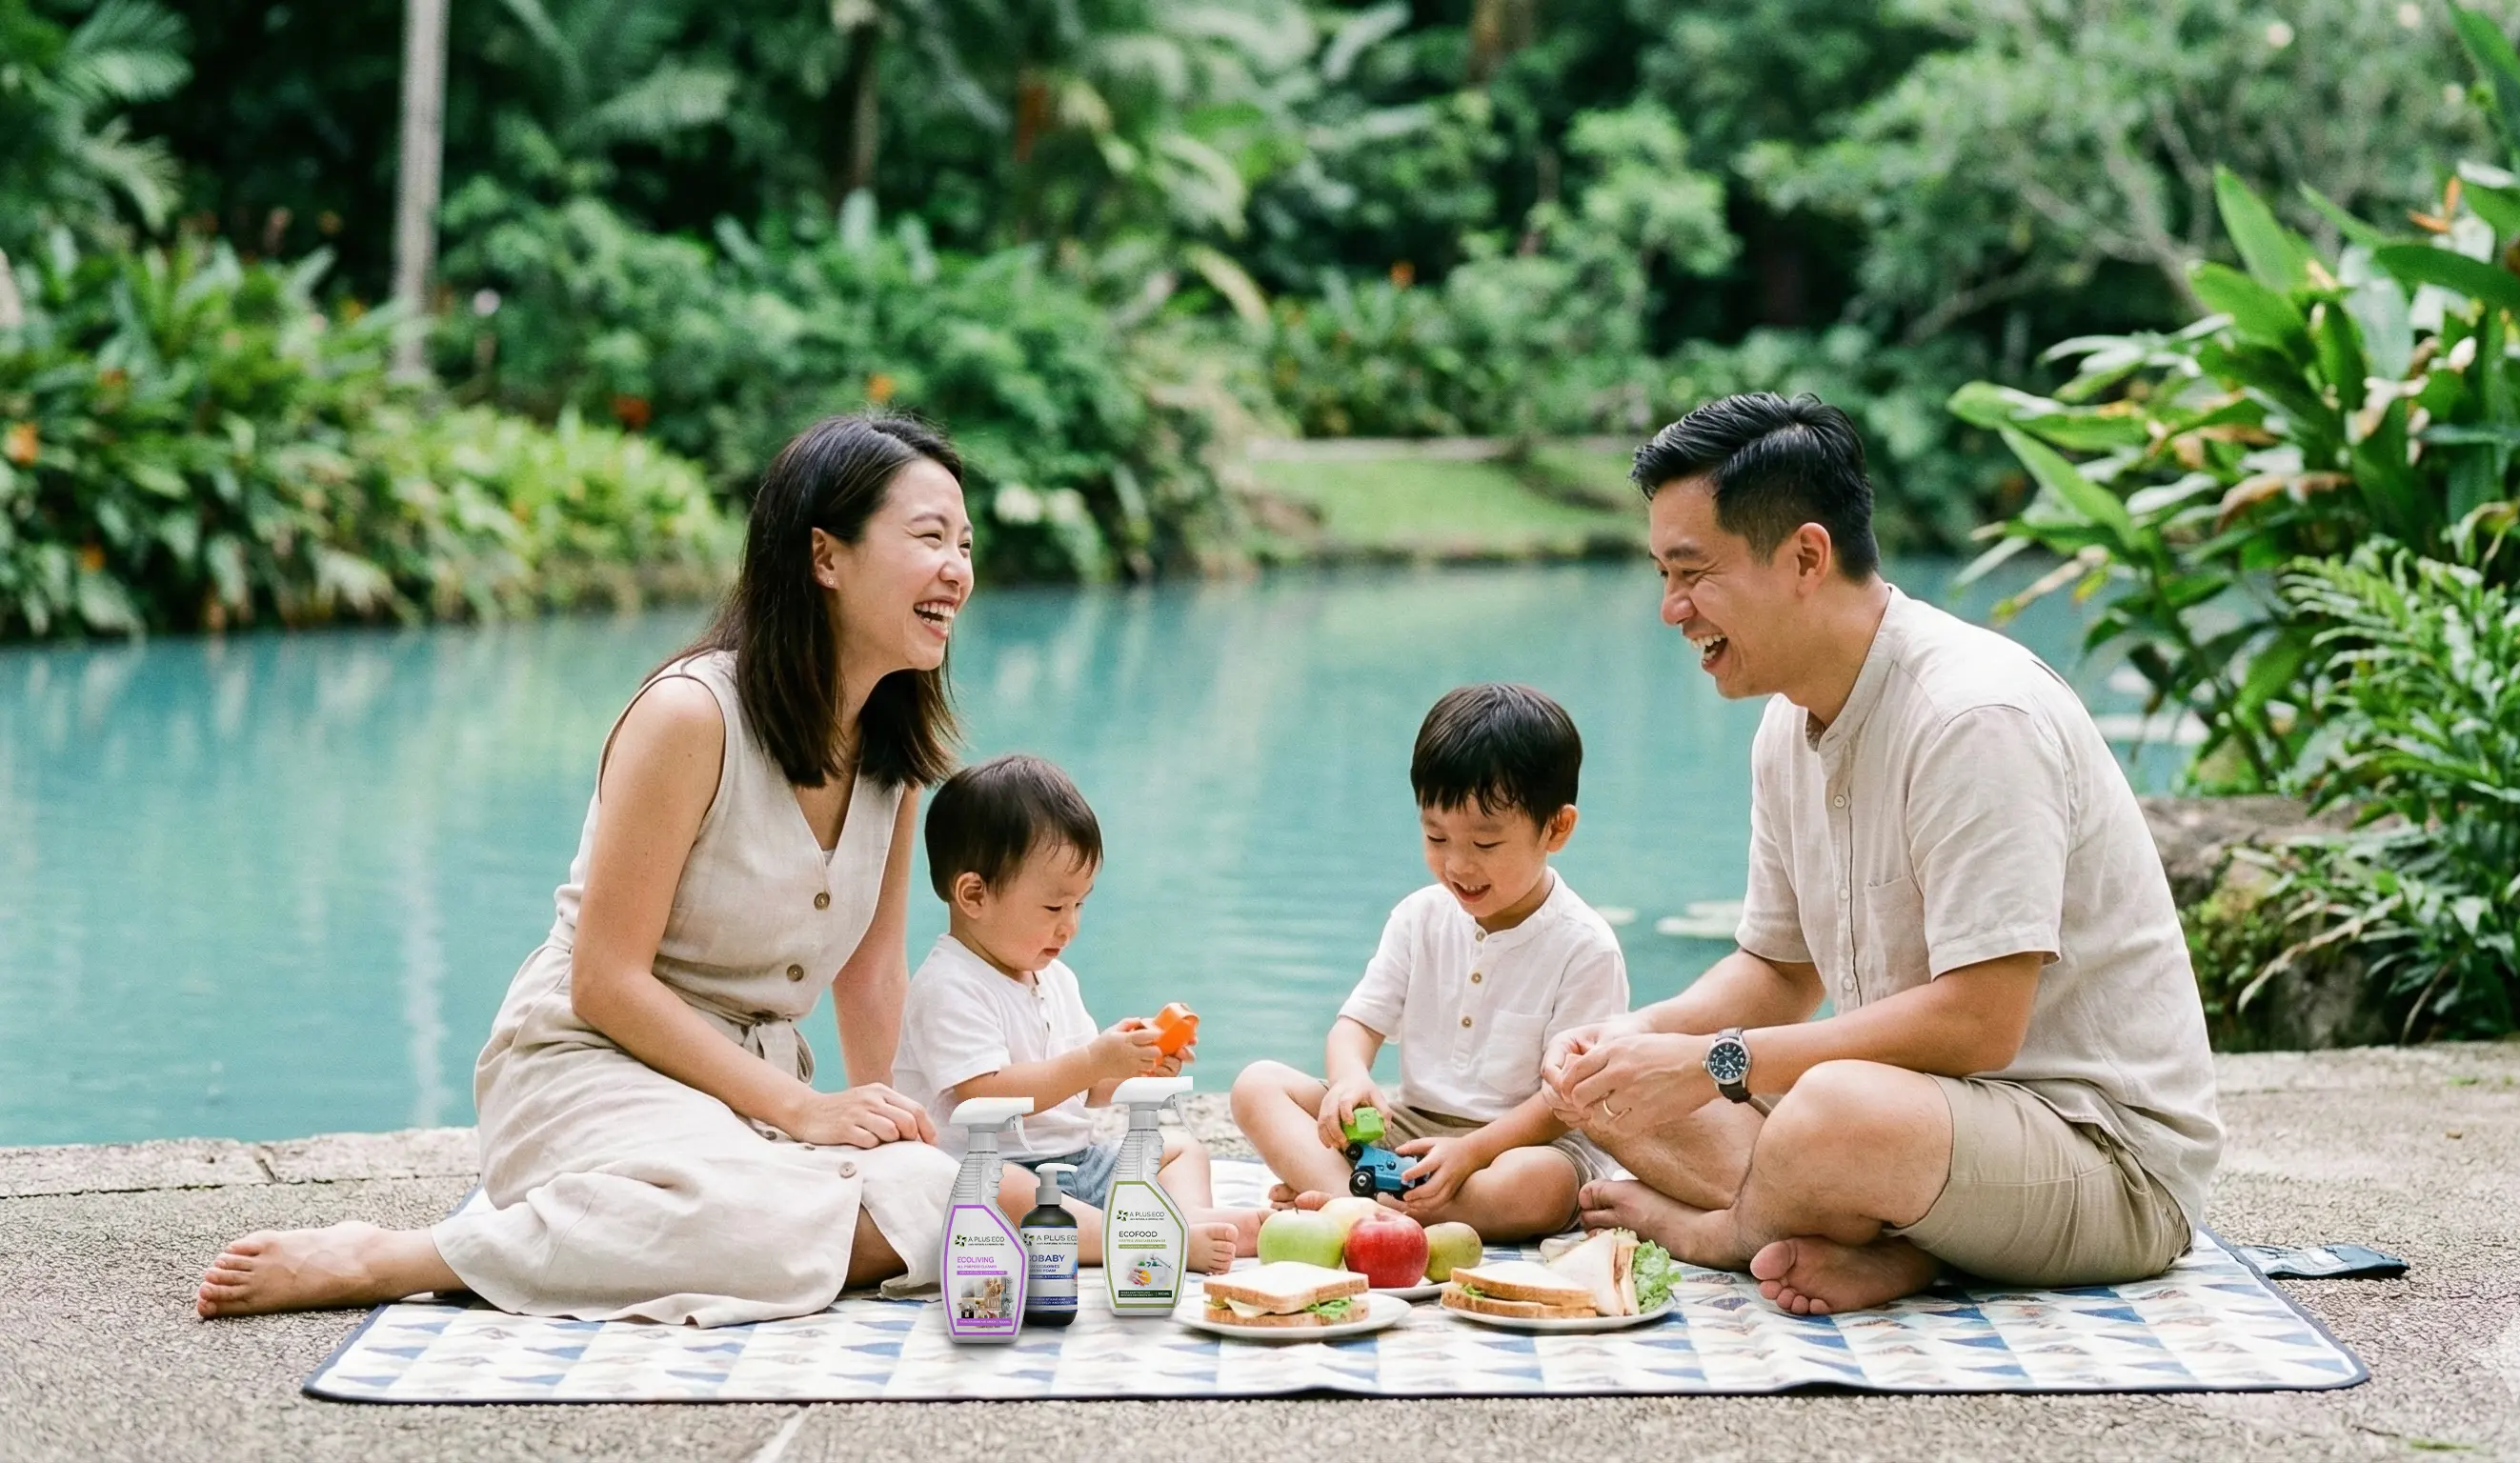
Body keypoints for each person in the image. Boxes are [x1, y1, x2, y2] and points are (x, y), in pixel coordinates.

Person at [198, 413, 996, 1327]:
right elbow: (605, 980)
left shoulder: (892, 759)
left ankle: (612, 1232)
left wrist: (888, 1125)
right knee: (745, 1221)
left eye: (964, 544)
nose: (957, 570)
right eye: (929, 537)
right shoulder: (692, 716)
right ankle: (397, 1257)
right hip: (589, 1062)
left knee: (938, 1197)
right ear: (825, 557)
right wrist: (804, 1113)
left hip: (749, 1097)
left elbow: (871, 970)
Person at [1543, 391, 2223, 1315]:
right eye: (1663, 575)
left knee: (1828, 1113)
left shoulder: (1973, 715)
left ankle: (1733, 1233)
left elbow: (1981, 1026)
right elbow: (1774, 972)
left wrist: (1711, 1062)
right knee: (1607, 1085)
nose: (1671, 609)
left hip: (2096, 1160)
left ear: (1804, 558)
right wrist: (1638, 1040)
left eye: (1691, 573)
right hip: (1916, 1134)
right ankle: (1886, 1243)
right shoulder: (1787, 728)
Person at [1232, 684, 1629, 1242]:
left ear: (1556, 828)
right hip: (1412, 1130)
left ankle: (1351, 1203)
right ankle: (1370, 1207)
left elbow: (1563, 1103)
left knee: (1536, 1185)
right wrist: (1350, 1079)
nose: (1457, 864)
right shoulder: (1420, 917)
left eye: (1486, 845)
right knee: (1258, 1084)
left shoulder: (1585, 947)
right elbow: (1359, 1024)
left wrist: (1472, 1152)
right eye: (1435, 836)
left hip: (1517, 1145)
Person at [895, 752, 1257, 1272]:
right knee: (999, 1190)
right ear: (974, 894)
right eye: (1052, 908)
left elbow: (1084, 1091)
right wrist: (1092, 1061)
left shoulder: (1054, 977)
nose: (1070, 927)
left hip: (1076, 1165)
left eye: (1079, 905)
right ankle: (1140, 1238)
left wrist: (1127, 1067)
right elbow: (983, 1095)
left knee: (1178, 1147)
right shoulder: (948, 985)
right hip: (994, 1169)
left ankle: (1191, 1219)